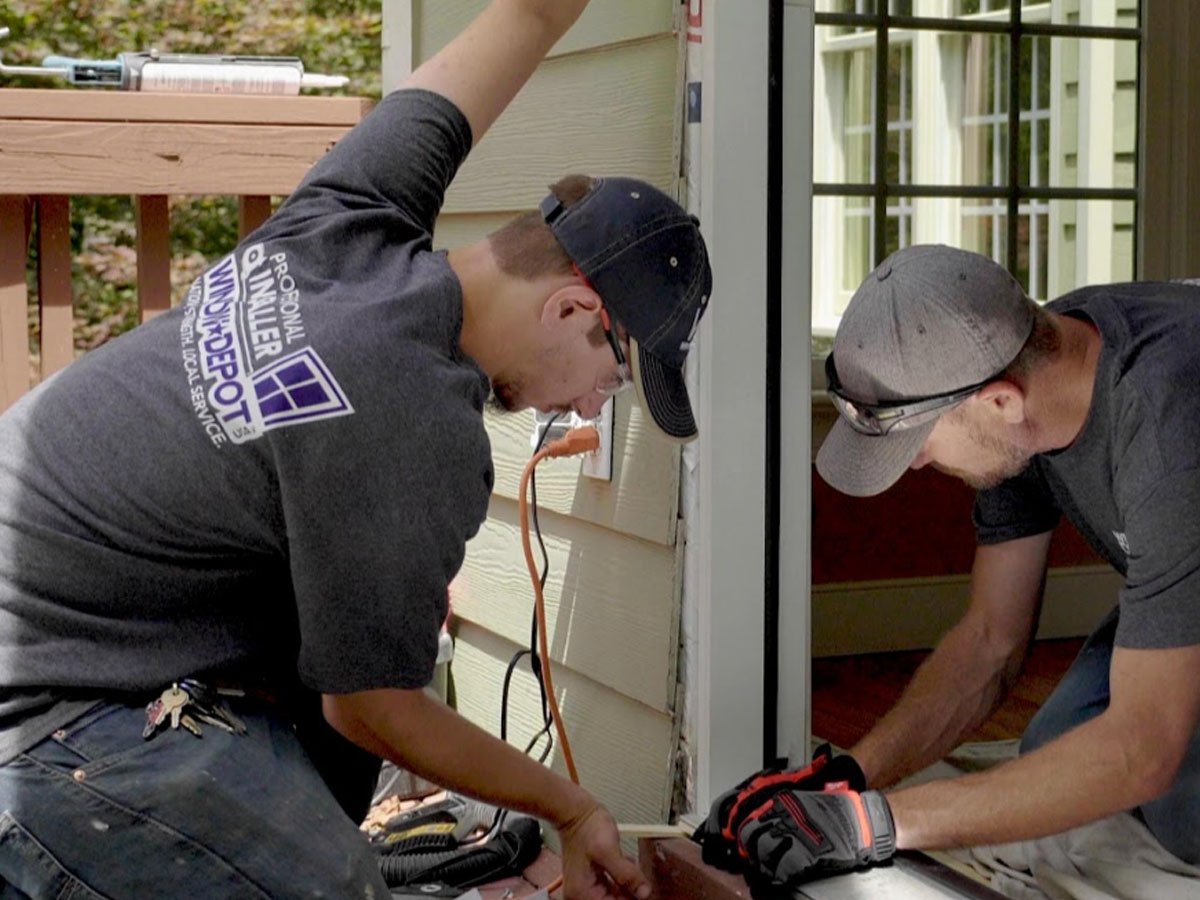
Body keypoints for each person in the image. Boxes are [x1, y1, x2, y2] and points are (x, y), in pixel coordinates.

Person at [0, 2, 712, 898]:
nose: (587, 403)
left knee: (319, 767)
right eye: (610, 380)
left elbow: (527, 16)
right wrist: (571, 808)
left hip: (62, 619)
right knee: (334, 882)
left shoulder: (353, 213)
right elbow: (373, 706)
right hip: (43, 712)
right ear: (573, 311)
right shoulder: (417, 423)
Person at [696, 244, 1200, 892]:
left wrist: (879, 823)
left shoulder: (1168, 431)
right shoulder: (1022, 372)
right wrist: (848, 780)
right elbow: (991, 639)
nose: (914, 465)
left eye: (919, 440)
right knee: (1058, 753)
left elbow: (1140, 751)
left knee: (1162, 795)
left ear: (999, 403)